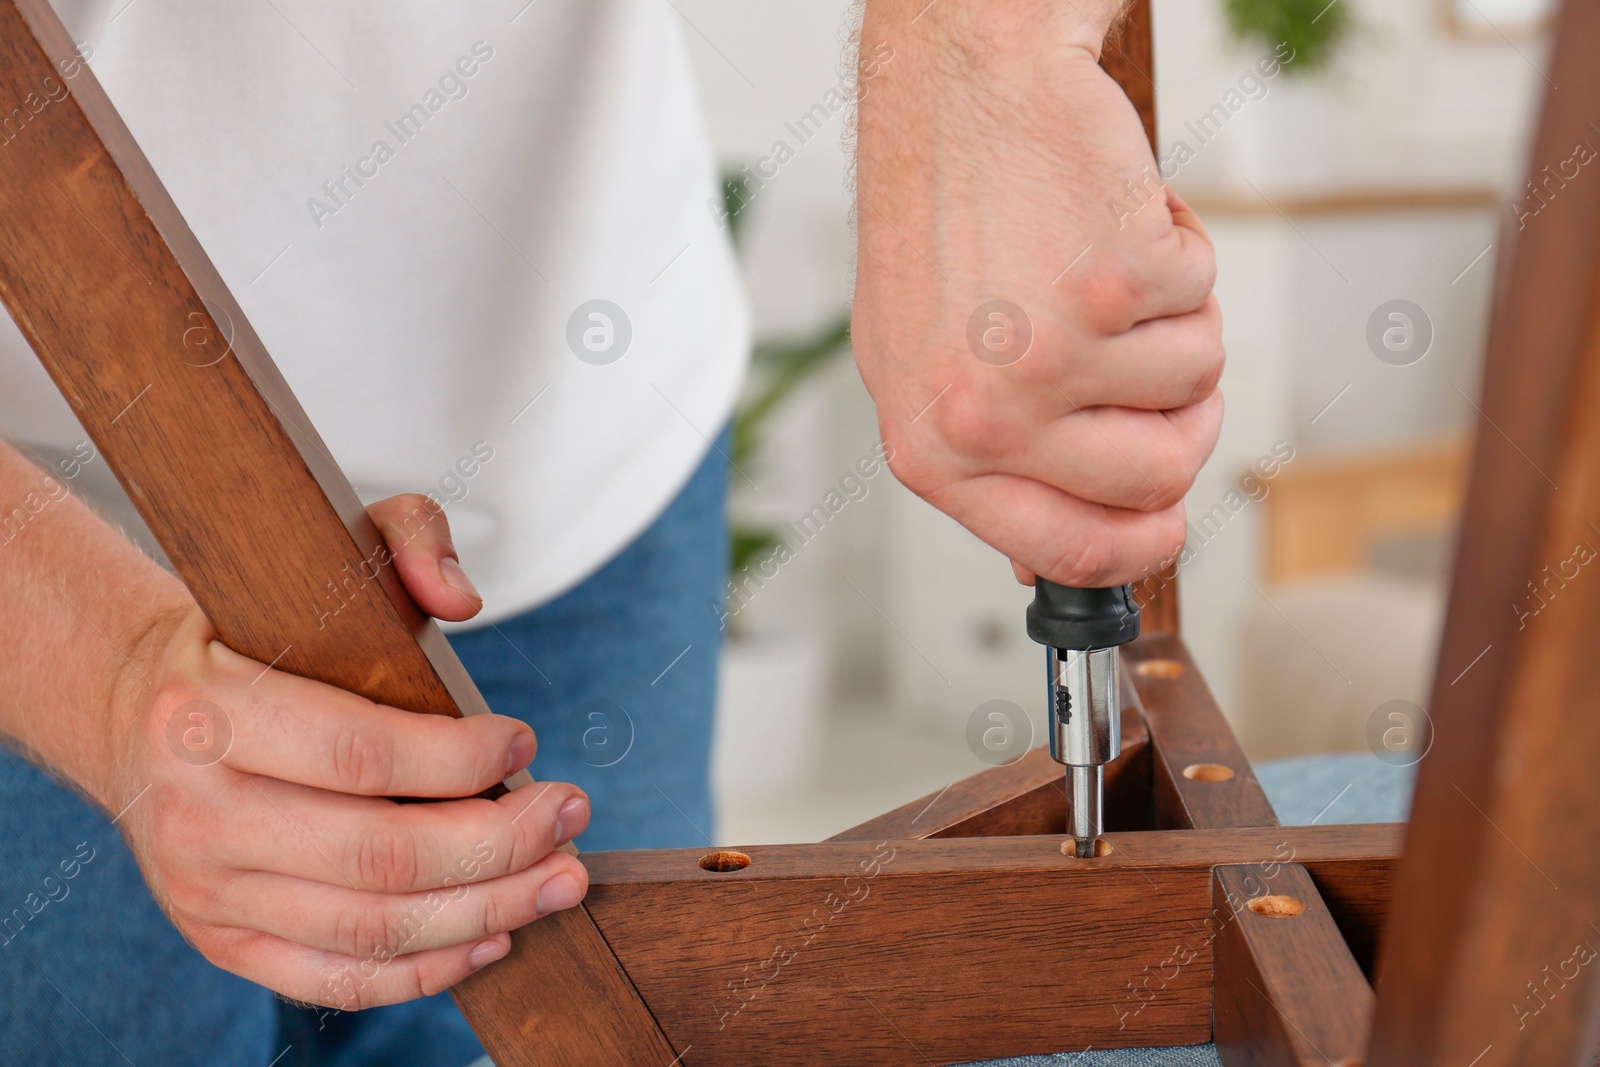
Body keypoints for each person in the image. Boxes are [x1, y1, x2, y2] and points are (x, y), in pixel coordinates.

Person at [0, 0, 1220, 1063]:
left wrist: (979, 45)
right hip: (55, 555)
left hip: (590, 421)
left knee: (598, 1021)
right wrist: (107, 681)